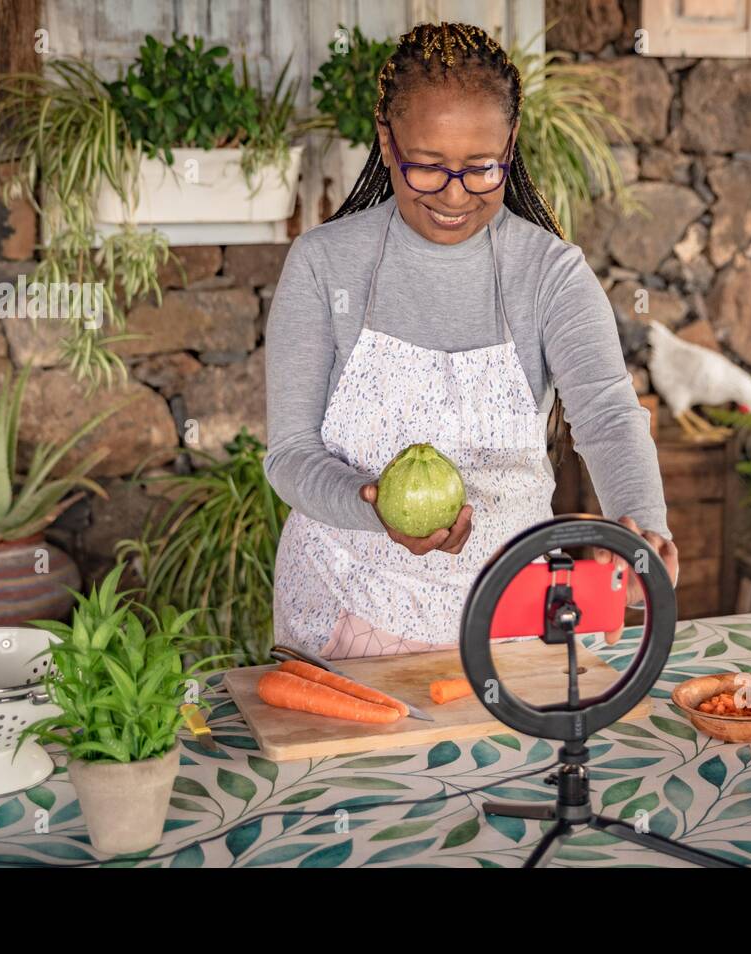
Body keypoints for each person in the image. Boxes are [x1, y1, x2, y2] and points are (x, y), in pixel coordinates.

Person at [264, 22, 676, 659]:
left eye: (482, 168)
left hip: (508, 617)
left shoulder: (550, 274)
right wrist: (375, 508)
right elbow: (290, 454)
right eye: (426, 168)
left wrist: (644, 529)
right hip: (343, 608)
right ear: (386, 139)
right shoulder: (325, 265)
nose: (455, 197)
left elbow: (609, 420)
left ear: (510, 142)